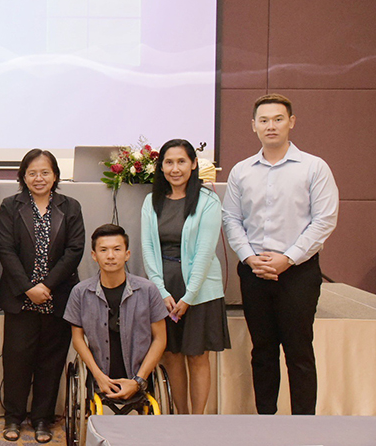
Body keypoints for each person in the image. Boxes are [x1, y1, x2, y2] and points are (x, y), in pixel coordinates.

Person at [222, 94, 338, 415]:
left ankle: (303, 427)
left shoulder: (314, 167)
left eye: (277, 119)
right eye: (263, 120)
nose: (270, 126)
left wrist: (288, 258)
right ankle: (266, 422)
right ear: (253, 126)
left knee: (299, 353)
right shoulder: (242, 171)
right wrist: (248, 257)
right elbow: (231, 218)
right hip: (254, 271)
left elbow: (324, 219)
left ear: (291, 122)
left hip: (298, 273)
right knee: (262, 352)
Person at [0, 149, 84, 442]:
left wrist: (46, 286)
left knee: (51, 361)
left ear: (55, 175)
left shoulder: (70, 207)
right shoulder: (10, 206)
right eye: (32, 173)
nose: (39, 178)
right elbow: (5, 250)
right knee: (17, 361)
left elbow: (75, 250)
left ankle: (42, 419)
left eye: (45, 172)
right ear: (22, 176)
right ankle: (13, 417)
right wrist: (28, 288)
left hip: (57, 297)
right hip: (20, 300)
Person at [140, 139, 230, 414]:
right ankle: (180, 416)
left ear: (193, 164)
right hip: (164, 289)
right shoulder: (151, 201)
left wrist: (189, 296)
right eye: (169, 162)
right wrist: (161, 292)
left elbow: (204, 251)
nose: (175, 168)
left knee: (197, 356)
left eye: (181, 161)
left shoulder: (208, 200)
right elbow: (148, 248)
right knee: (171, 356)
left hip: (200, 290)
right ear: (161, 166)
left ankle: (197, 420)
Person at [64, 224, 167, 406]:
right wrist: (99, 377)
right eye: (103, 250)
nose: (110, 256)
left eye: (117, 249)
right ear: (94, 256)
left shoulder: (148, 290)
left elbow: (160, 338)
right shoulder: (80, 292)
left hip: (140, 377)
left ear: (127, 254)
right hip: (99, 376)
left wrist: (138, 381)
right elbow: (77, 339)